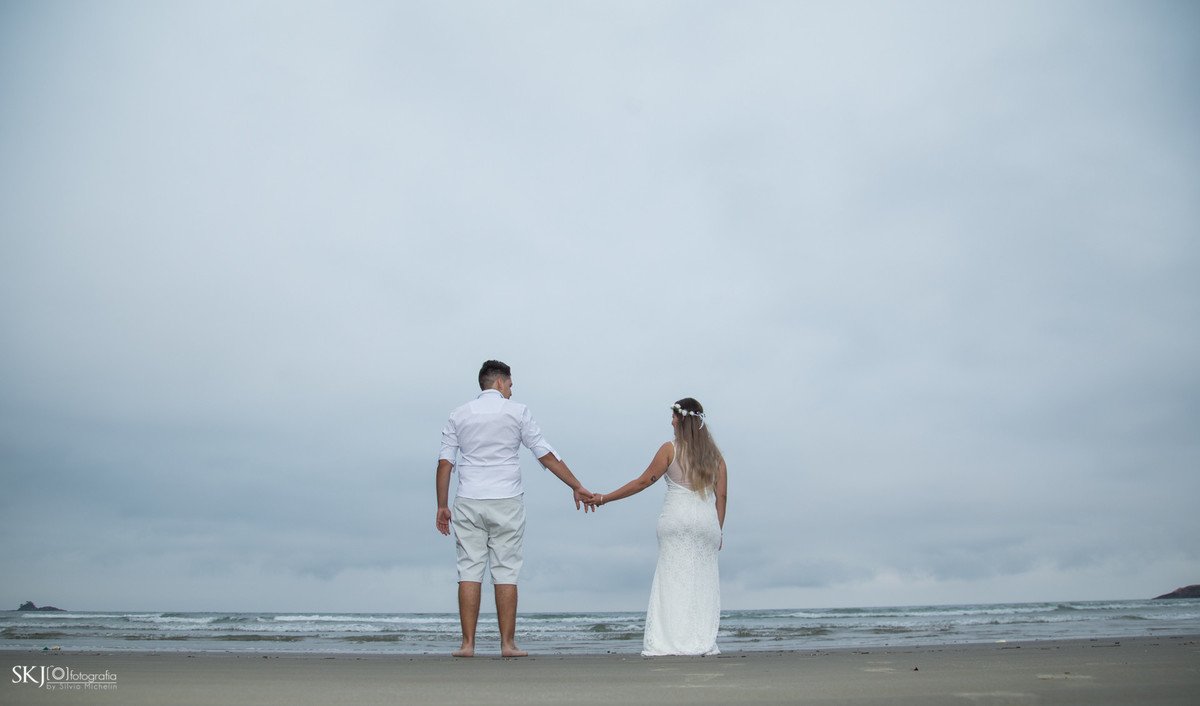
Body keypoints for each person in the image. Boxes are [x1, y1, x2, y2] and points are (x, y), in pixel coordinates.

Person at [435, 360, 593, 657]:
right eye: (510, 384)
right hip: (506, 499)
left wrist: (442, 505)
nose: (511, 390)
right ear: (499, 382)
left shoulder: (458, 414)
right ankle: (507, 645)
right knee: (505, 570)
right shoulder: (517, 411)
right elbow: (544, 453)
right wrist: (576, 485)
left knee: (469, 569)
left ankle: (467, 645)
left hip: (468, 499)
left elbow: (445, 463)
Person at [591, 397, 728, 656]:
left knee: (672, 579)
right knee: (701, 582)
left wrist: (604, 498)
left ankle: (669, 641)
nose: (672, 421)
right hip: (707, 522)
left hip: (676, 519)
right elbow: (721, 496)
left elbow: (643, 482)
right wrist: (718, 528)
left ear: (684, 420)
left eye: (675, 416)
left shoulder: (670, 449)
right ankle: (699, 640)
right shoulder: (715, 456)